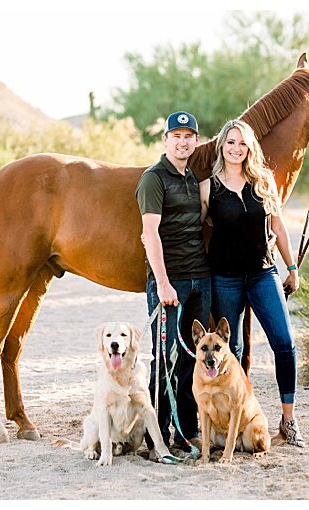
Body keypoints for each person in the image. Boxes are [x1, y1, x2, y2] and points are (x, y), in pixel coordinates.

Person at [200, 119, 307, 447]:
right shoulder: (208, 187)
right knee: (230, 351)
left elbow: (279, 225)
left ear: (250, 148)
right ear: (222, 146)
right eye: (230, 143)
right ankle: (229, 424)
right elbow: (196, 229)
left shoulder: (264, 181)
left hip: (263, 273)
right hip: (225, 278)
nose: (235, 149)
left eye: (242, 144)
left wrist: (291, 267)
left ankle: (288, 420)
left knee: (284, 343)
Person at [136, 110, 210, 454]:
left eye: (188, 136)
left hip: (200, 280)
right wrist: (163, 283)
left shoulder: (193, 178)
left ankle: (186, 430)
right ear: (165, 140)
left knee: (191, 357)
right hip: (171, 283)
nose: (182, 142)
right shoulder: (154, 178)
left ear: (196, 141)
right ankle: (156, 437)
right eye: (176, 136)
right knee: (165, 361)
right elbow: (150, 232)